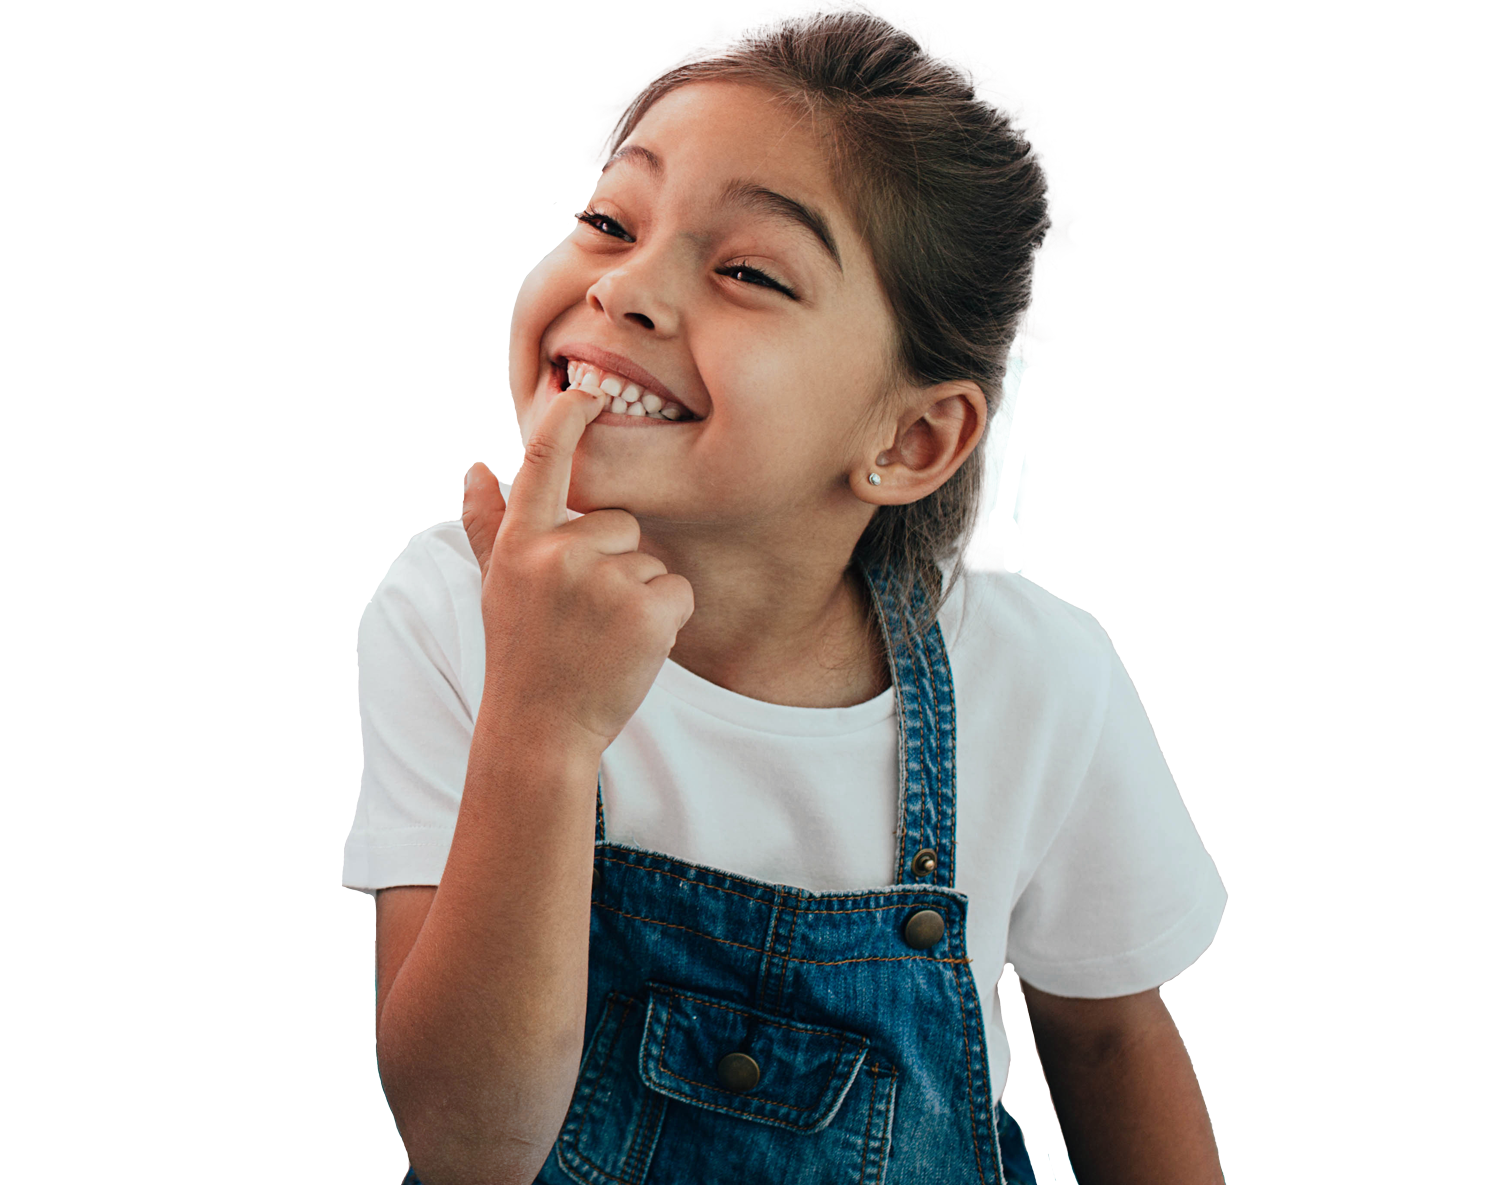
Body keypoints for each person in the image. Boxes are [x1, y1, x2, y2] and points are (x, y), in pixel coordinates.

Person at [347, 4, 1228, 1182]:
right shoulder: (451, 608)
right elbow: (467, 1146)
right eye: (611, 218)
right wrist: (543, 726)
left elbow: (1113, 1038)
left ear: (913, 441)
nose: (625, 290)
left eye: (749, 270)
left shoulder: (1040, 675)